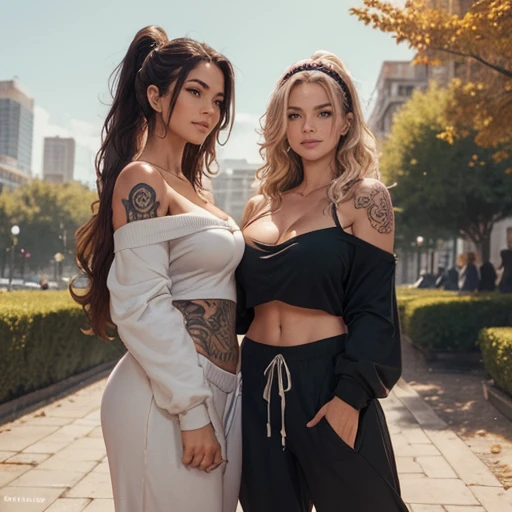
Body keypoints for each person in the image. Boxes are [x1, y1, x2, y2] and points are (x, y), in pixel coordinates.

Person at [70, 26, 243, 512]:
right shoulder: (141, 179)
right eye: (195, 92)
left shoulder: (192, 187)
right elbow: (141, 303)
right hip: (166, 398)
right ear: (154, 95)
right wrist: (192, 411)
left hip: (218, 390)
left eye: (219, 99)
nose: (210, 109)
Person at [236, 52, 407, 511]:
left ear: (346, 121)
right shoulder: (258, 206)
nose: (308, 127)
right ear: (282, 125)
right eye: (295, 115)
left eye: (323, 113)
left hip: (328, 382)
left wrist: (350, 397)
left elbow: (374, 309)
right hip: (256, 382)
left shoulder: (365, 198)